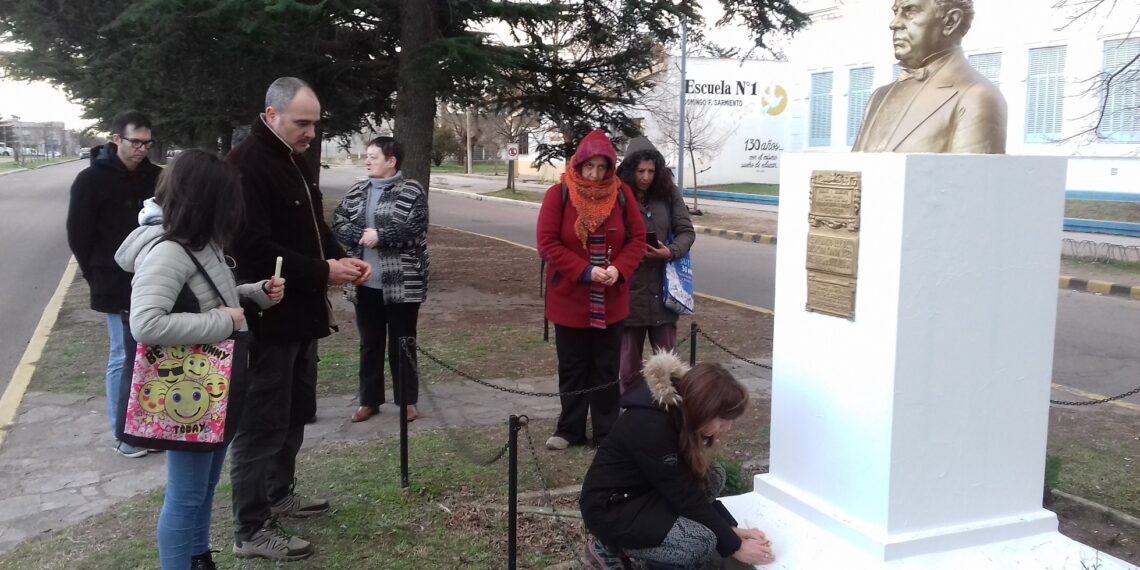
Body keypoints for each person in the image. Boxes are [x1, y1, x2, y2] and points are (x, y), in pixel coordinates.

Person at [116, 149, 285, 570]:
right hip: (186, 394)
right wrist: (220, 321)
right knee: (187, 494)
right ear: (207, 200)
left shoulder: (202, 244)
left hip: (210, 390)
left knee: (206, 486)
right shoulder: (169, 252)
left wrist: (255, 294)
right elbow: (147, 324)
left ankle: (197, 557)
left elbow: (214, 297)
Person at [225, 77, 371, 561]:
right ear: (271, 115)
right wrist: (323, 270)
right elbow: (251, 248)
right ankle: (251, 528)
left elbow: (314, 225)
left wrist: (341, 259)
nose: (311, 132)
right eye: (301, 123)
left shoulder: (294, 159)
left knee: (294, 413)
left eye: (314, 123)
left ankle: (279, 493)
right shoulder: (246, 167)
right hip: (267, 319)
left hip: (304, 315)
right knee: (262, 423)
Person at [579, 353, 776, 569]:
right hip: (612, 509)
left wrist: (728, 529)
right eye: (723, 420)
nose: (728, 427)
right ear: (703, 410)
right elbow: (684, 496)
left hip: (645, 492)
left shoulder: (677, 411)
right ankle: (612, 547)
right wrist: (734, 546)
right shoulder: (651, 426)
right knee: (699, 543)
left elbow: (685, 485)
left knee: (714, 476)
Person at [536, 129, 646, 451]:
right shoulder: (559, 195)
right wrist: (584, 271)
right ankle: (569, 429)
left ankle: (605, 431)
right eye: (590, 167)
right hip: (570, 300)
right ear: (579, 164)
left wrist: (618, 269)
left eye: (602, 167)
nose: (596, 174)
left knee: (606, 368)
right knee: (572, 367)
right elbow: (548, 244)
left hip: (610, 301)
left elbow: (637, 240)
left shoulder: (622, 194)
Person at [66, 110, 162, 459]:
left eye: (147, 143)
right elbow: (79, 236)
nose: (141, 149)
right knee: (122, 355)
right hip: (111, 280)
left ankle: (148, 423)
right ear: (116, 139)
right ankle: (122, 433)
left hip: (155, 278)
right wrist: (96, 277)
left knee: (149, 354)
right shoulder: (90, 180)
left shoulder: (157, 177)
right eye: (135, 142)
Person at [331, 136, 429, 424]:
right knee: (369, 343)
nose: (367, 160)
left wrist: (381, 235)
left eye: (374, 156)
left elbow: (416, 228)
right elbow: (339, 221)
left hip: (402, 284)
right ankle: (369, 400)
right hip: (365, 282)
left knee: (402, 342)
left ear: (391, 161)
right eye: (367, 156)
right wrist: (361, 235)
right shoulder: (358, 189)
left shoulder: (411, 190)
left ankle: (407, 401)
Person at [851, 0, 1006, 153]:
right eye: (895, 12)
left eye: (910, 11)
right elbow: (851, 172)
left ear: (950, 22)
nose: (894, 23)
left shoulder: (977, 97)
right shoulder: (879, 97)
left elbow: (967, 175)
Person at [614, 137, 695, 394]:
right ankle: (630, 416)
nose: (646, 177)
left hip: (663, 292)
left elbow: (686, 231)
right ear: (630, 170)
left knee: (669, 368)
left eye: (651, 171)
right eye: (640, 171)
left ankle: (669, 415)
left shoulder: (669, 194)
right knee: (628, 369)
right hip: (630, 294)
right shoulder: (617, 196)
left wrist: (670, 252)